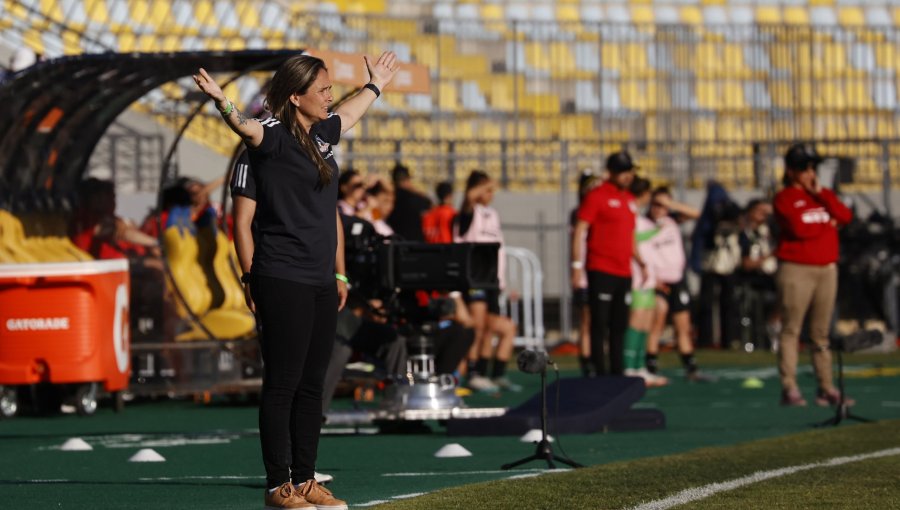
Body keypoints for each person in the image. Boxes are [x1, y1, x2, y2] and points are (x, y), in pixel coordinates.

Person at [194, 51, 399, 509]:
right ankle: (277, 486)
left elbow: (350, 114)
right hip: (281, 276)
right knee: (283, 382)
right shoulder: (270, 138)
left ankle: (306, 480)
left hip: (320, 278)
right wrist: (222, 101)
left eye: (330, 89)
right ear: (294, 96)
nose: (329, 96)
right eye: (321, 90)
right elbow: (243, 126)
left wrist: (376, 85)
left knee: (312, 383)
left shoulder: (322, 135)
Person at [774, 143, 853, 407]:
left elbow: (845, 215)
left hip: (826, 268)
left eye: (812, 168)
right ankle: (789, 387)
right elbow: (799, 229)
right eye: (804, 168)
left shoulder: (822, 195)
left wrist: (822, 196)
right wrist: (828, 225)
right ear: (791, 171)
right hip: (797, 268)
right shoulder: (785, 198)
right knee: (792, 329)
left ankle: (826, 387)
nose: (810, 173)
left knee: (821, 333)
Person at [571, 151, 644, 376]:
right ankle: (599, 372)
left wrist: (641, 262)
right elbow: (580, 231)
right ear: (610, 172)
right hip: (601, 268)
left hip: (624, 270)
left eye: (629, 171)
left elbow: (630, 235)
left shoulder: (629, 200)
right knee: (599, 323)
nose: (627, 176)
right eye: (622, 171)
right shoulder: (597, 196)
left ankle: (617, 372)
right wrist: (576, 266)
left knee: (619, 324)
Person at [454, 170, 519, 392]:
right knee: (478, 326)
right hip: (475, 278)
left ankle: (484, 372)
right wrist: (480, 186)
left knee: (489, 328)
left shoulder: (493, 214)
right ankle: (472, 371)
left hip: (492, 280)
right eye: (487, 190)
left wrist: (502, 281)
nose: (490, 194)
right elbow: (468, 201)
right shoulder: (468, 212)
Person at [642, 187, 714, 382]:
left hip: (677, 280)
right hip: (658, 281)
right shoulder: (644, 224)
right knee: (657, 320)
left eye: (662, 205)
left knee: (683, 325)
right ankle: (651, 365)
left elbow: (697, 214)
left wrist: (669, 204)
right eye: (656, 204)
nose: (658, 209)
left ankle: (691, 367)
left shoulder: (671, 220)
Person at [623, 177, 668, 387]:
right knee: (636, 320)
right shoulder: (631, 214)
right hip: (637, 276)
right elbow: (632, 239)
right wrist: (641, 263)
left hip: (647, 277)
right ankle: (628, 366)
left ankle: (640, 366)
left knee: (647, 321)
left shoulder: (640, 216)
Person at [737, 199, 780, 351]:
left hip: (771, 279)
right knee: (752, 312)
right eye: (760, 212)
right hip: (751, 280)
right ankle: (751, 343)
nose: (764, 216)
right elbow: (746, 263)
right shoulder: (745, 234)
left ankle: (773, 336)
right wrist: (769, 256)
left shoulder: (771, 232)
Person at [569, 170, 600, 376]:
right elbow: (578, 242)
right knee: (587, 320)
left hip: (600, 271)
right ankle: (587, 363)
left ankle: (598, 359)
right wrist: (577, 268)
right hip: (585, 275)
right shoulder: (579, 213)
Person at [386, 162, 431, 241]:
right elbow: (428, 204)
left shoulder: (387, 198)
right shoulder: (415, 198)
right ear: (407, 179)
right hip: (414, 243)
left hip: (394, 241)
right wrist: (413, 189)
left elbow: (377, 217)